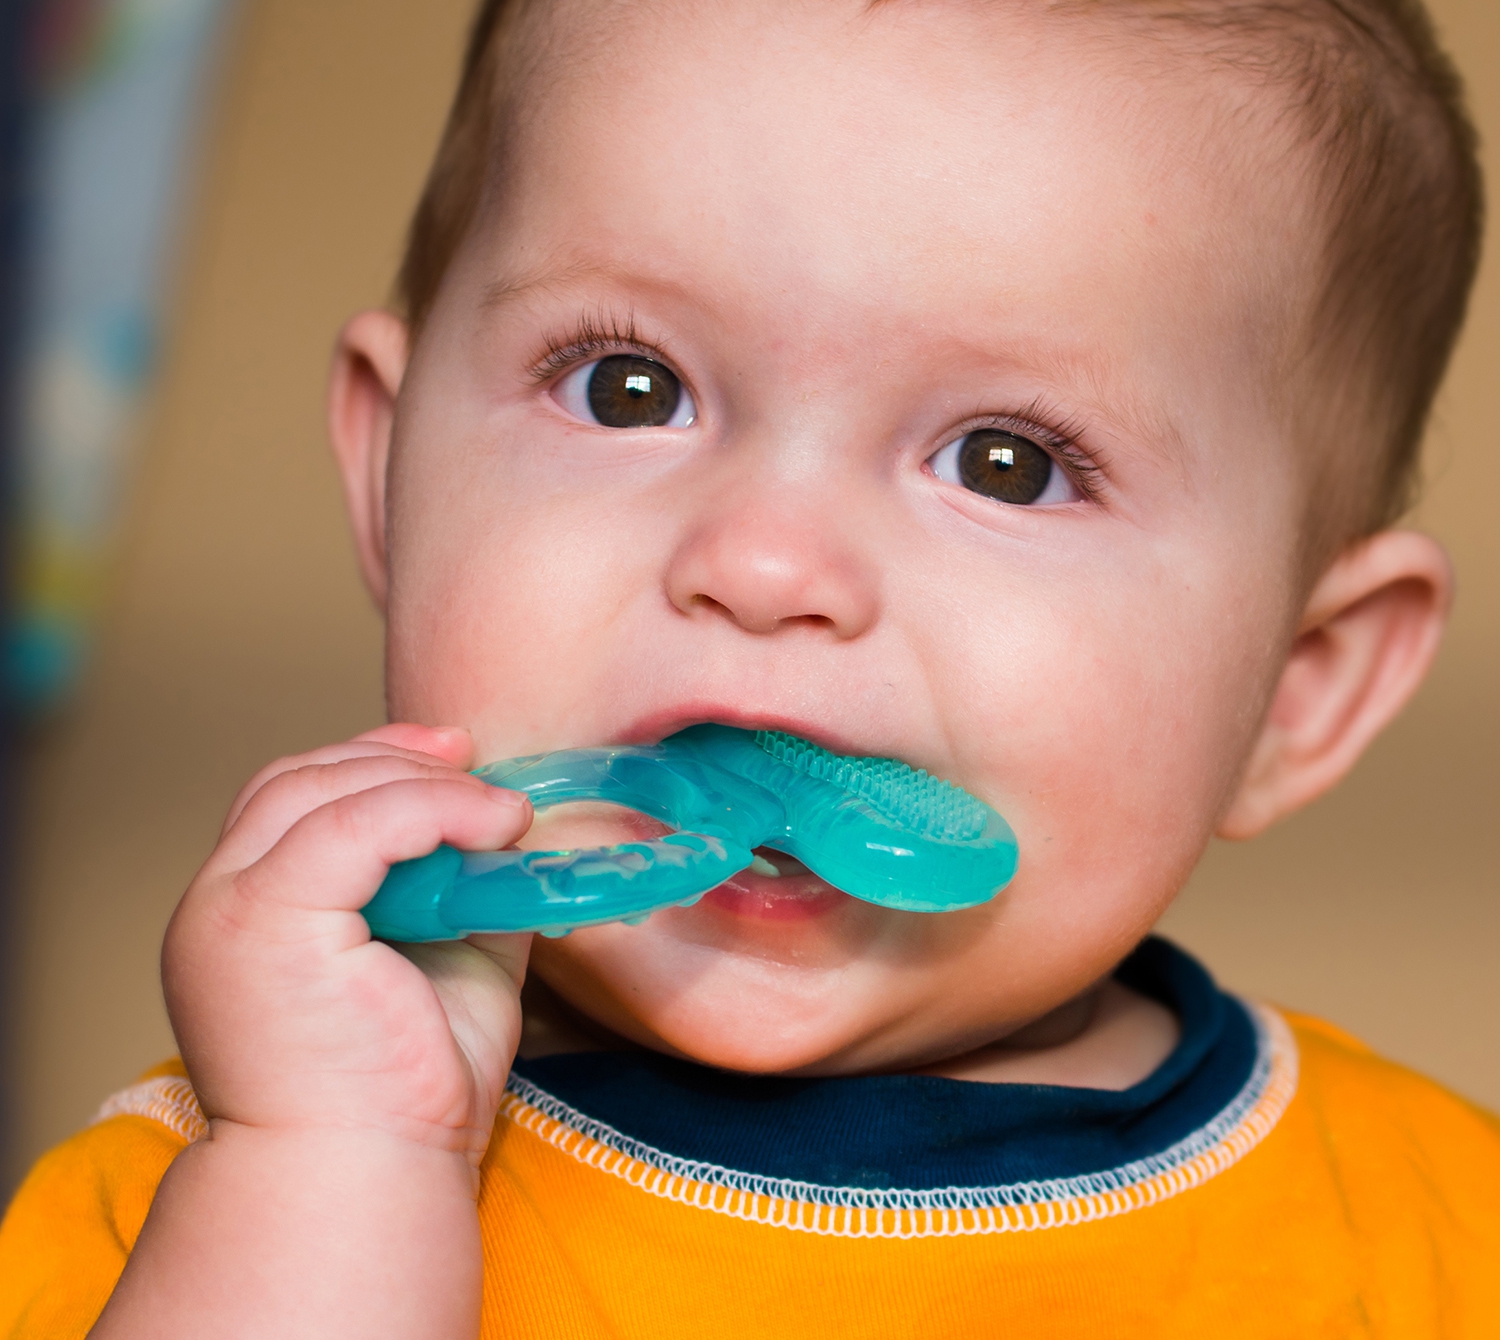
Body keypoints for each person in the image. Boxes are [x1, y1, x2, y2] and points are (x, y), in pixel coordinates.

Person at [2, 0, 1495, 1334]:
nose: (768, 563)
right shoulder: (201, 1207)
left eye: (1008, 463)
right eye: (627, 386)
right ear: (394, 476)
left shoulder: (1439, 1234)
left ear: (1300, 687)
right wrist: (335, 1176)